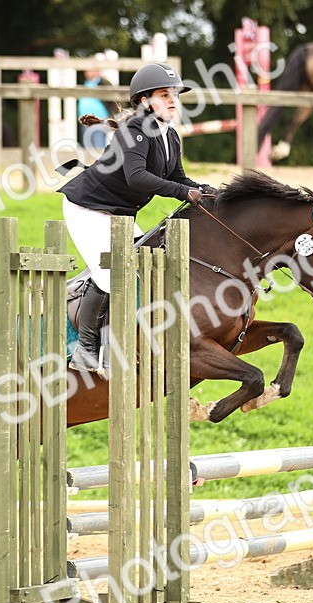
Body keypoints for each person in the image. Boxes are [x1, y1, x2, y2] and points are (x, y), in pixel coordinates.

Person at [59, 62, 215, 373]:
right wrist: (184, 194)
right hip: (88, 208)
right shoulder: (134, 131)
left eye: (174, 95)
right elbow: (137, 177)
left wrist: (204, 190)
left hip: (118, 215)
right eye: (164, 94)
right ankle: (85, 350)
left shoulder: (169, 136)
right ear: (144, 101)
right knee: (110, 275)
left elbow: (179, 177)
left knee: (148, 262)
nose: (172, 100)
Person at [77, 60, 115, 153]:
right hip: (85, 122)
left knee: (99, 149)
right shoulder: (85, 83)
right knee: (87, 150)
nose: (87, 72)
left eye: (90, 70)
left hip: (99, 121)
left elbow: (114, 101)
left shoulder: (104, 83)